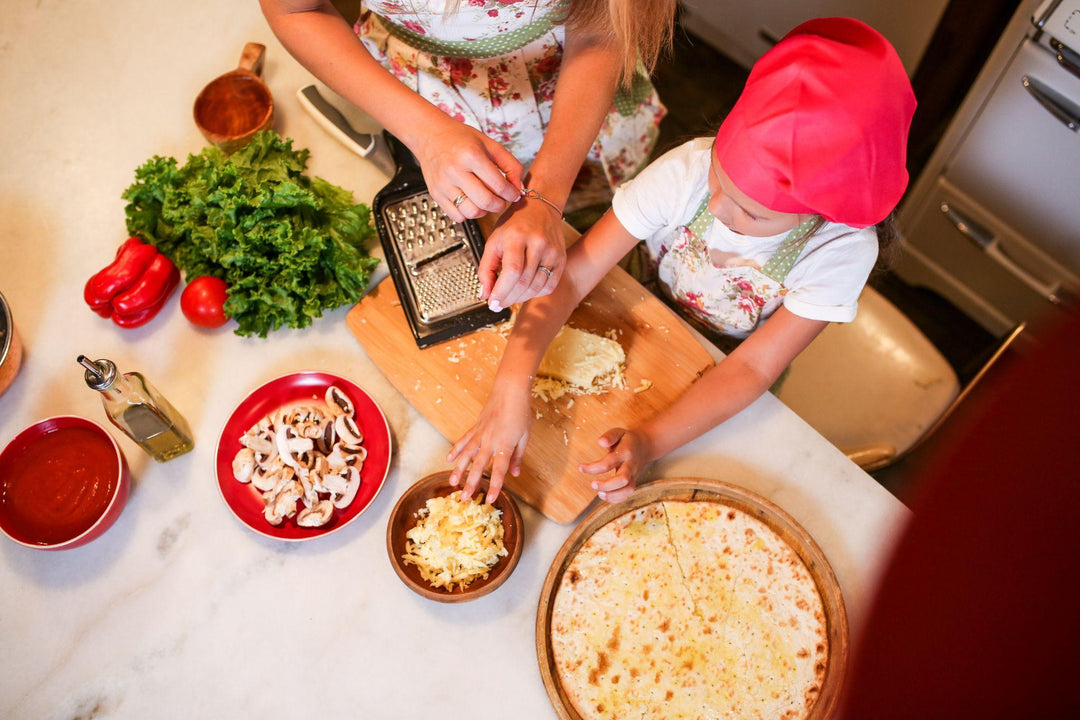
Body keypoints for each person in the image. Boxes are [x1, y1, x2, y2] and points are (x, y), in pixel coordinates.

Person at [446, 17, 918, 504]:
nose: (715, 208)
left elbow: (751, 370)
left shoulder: (838, 253)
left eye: (750, 213)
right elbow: (575, 273)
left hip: (725, 356)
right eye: (720, 177)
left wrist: (651, 441)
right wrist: (511, 385)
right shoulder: (688, 170)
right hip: (642, 287)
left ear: (823, 212)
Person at [259, 0, 674, 310]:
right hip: (418, 95)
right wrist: (426, 133)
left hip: (572, 97)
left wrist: (547, 197)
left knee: (595, 210)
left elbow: (602, 30)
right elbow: (296, 10)